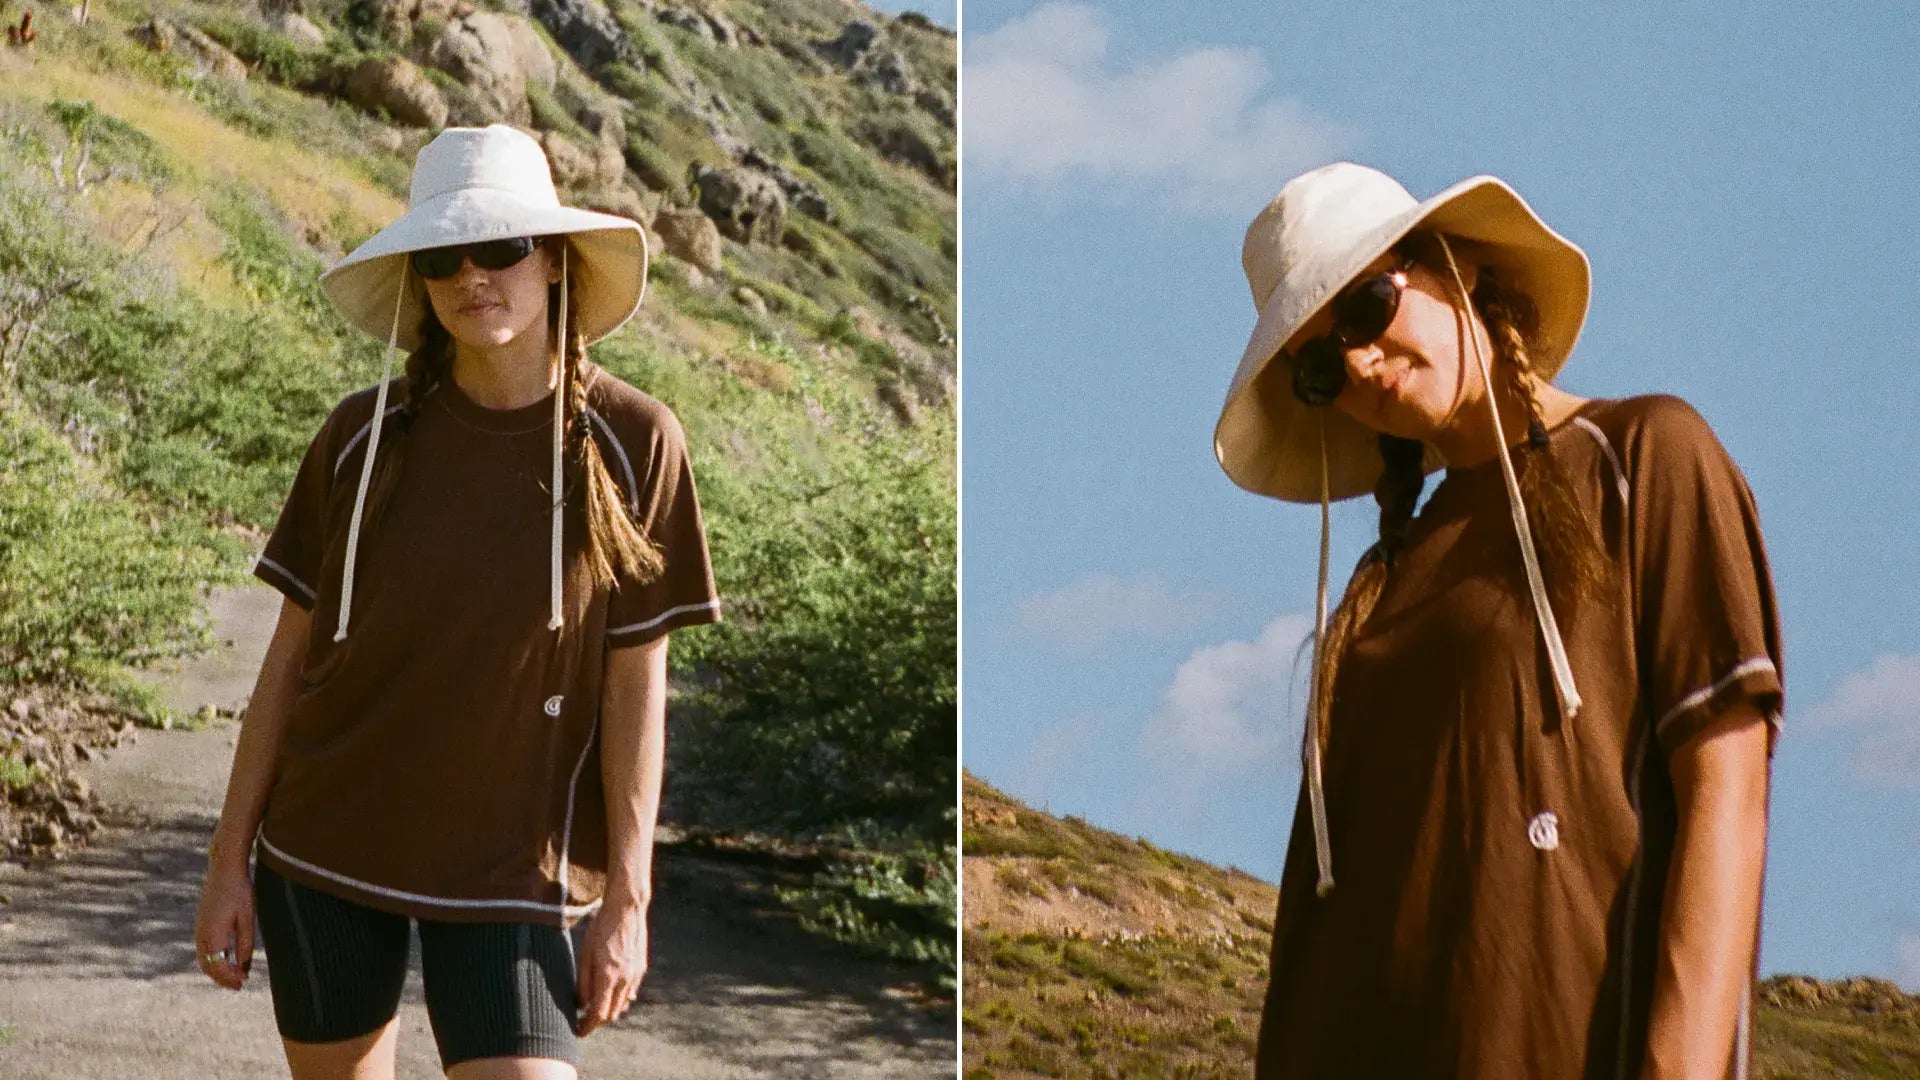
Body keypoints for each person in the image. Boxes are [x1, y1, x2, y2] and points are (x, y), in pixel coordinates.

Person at [1214, 162, 1783, 1079]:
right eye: (1318, 366)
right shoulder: (1376, 591)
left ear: (1458, 267)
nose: (1359, 363)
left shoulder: (1643, 459)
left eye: (1366, 309)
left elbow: (1727, 790)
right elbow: (1324, 939)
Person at [192, 124, 721, 1078]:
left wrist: (629, 900)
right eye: (443, 255)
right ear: (421, 281)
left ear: (555, 261)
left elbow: (637, 686)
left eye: (503, 247)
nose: (474, 274)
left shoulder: (636, 443)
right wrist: (229, 860)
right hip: (327, 854)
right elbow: (287, 662)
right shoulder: (363, 437)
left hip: (513, 875)